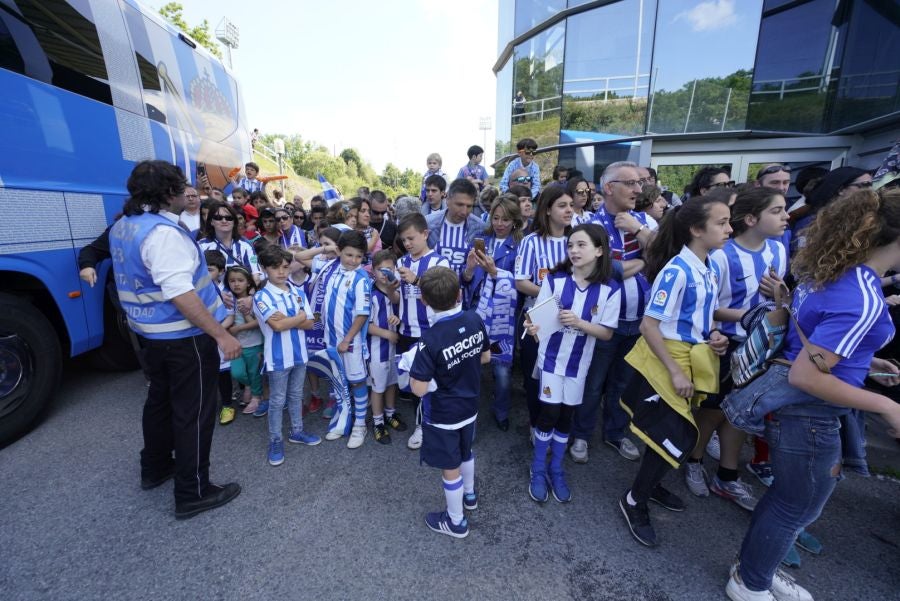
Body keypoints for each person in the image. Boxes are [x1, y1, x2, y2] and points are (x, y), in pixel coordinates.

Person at [723, 187, 900, 601]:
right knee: (796, 506)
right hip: (810, 413)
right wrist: (887, 406)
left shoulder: (831, 271)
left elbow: (814, 341)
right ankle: (750, 583)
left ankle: (755, 568)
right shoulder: (862, 298)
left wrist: (868, 362)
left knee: (789, 499)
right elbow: (807, 375)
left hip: (798, 408)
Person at [108, 160, 241, 519]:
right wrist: (220, 335)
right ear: (168, 193)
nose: (188, 191)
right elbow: (180, 293)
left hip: (150, 335)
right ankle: (193, 491)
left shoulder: (125, 226)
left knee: (160, 402)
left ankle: (154, 467)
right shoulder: (163, 234)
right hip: (185, 339)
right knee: (193, 413)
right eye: (182, 186)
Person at [618, 194, 732, 548]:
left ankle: (648, 486)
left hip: (693, 357)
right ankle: (634, 500)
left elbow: (700, 317)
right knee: (677, 435)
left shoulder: (709, 266)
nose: (730, 229)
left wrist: (713, 336)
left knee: (674, 434)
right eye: (722, 222)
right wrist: (676, 372)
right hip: (669, 361)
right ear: (697, 229)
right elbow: (649, 326)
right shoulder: (676, 270)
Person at [682, 187, 789, 512]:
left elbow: (780, 301)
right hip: (727, 345)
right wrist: (754, 314)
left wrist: (781, 299)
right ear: (752, 218)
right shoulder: (722, 256)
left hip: (765, 347)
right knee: (713, 411)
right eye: (777, 210)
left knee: (743, 415)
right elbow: (708, 307)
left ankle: (728, 475)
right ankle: (694, 460)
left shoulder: (779, 251)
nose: (786, 216)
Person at [525, 224, 620, 504]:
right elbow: (535, 319)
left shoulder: (609, 290)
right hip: (551, 361)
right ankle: (539, 468)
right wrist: (532, 327)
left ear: (599, 250)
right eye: (570, 246)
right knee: (549, 413)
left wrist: (580, 323)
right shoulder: (554, 281)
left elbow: (607, 333)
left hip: (579, 366)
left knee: (567, 417)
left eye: (582, 245)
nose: (574, 251)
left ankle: (557, 469)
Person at [571, 161, 657, 465]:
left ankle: (615, 433)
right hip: (602, 322)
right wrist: (644, 261)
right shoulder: (589, 226)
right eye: (631, 183)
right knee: (593, 382)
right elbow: (602, 270)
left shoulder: (644, 221)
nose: (638, 189)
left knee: (623, 383)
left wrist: (641, 232)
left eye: (640, 183)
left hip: (639, 322)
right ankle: (581, 434)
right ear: (609, 188)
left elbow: (665, 256)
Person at [409, 266, 491, 538]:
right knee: (466, 451)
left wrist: (428, 376)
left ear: (424, 301)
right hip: (470, 406)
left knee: (450, 466)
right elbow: (485, 357)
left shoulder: (429, 340)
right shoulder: (474, 319)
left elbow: (418, 390)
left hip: (443, 413)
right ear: (459, 294)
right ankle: (470, 495)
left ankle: (456, 522)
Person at [253, 245, 322, 466]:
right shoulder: (262, 296)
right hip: (278, 357)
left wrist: (289, 319)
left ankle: (297, 431)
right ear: (264, 269)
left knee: (295, 396)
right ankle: (275, 440)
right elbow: (277, 326)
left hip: (299, 354)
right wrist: (298, 317)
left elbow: (311, 323)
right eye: (274, 268)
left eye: (284, 267)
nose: (281, 272)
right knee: (277, 400)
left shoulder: (297, 292)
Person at [463, 195, 525, 430]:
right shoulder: (481, 240)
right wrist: (469, 269)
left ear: (515, 221)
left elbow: (519, 284)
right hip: (475, 308)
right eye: (496, 218)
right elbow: (466, 280)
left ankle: (501, 411)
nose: (499, 223)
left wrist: (495, 272)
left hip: (501, 314)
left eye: (506, 219)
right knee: (471, 365)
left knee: (501, 369)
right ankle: (469, 412)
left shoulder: (520, 245)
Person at [515, 186, 573, 429]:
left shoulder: (577, 241)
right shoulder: (531, 242)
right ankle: (536, 425)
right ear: (547, 210)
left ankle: (558, 428)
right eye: (562, 205)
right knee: (534, 378)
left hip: (571, 320)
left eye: (571, 205)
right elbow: (521, 282)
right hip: (537, 319)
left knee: (564, 376)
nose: (569, 210)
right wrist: (553, 297)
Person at [396, 213, 451, 449]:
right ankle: (423, 421)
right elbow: (397, 297)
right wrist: (389, 287)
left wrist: (417, 281)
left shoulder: (440, 263)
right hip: (405, 330)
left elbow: (444, 297)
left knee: (429, 381)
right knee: (411, 383)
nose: (407, 244)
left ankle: (424, 425)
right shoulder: (400, 262)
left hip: (429, 332)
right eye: (404, 240)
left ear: (425, 234)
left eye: (411, 238)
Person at [321, 231, 372, 448]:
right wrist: (327, 249)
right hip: (330, 339)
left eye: (358, 257)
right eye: (349, 255)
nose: (353, 261)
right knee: (338, 380)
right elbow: (299, 258)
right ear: (339, 251)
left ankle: (360, 424)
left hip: (350, 342)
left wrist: (347, 339)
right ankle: (342, 420)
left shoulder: (361, 279)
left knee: (357, 380)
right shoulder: (331, 267)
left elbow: (362, 313)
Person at [367, 250, 408, 443]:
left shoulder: (397, 293)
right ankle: (377, 422)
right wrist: (387, 333)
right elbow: (364, 325)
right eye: (380, 270)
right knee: (378, 387)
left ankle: (390, 414)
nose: (385, 274)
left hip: (394, 348)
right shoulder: (369, 294)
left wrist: (397, 319)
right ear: (372, 271)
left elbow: (401, 311)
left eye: (389, 269)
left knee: (392, 381)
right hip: (378, 349)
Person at [223, 266, 264, 416]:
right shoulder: (228, 300)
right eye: (232, 281)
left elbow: (258, 323)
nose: (236, 284)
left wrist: (240, 326)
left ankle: (256, 397)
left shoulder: (254, 299)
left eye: (240, 280)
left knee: (254, 372)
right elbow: (229, 318)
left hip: (253, 343)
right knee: (237, 372)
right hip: (237, 344)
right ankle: (247, 386)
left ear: (248, 283)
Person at [426, 178, 484, 283]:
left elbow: (479, 268)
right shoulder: (428, 223)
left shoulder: (480, 227)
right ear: (447, 200)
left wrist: (468, 273)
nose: (464, 211)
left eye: (469, 206)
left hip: (465, 295)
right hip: (433, 293)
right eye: (460, 205)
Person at [203, 251, 237, 426]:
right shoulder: (195, 290)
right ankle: (206, 407)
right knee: (204, 374)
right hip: (201, 338)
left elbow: (230, 317)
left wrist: (214, 331)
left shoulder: (226, 292)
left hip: (218, 337)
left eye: (210, 270)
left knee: (222, 373)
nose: (206, 274)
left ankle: (227, 405)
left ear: (221, 271)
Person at [198, 201, 263, 285]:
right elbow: (198, 277)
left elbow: (255, 276)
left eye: (229, 218)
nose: (224, 221)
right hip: (213, 296)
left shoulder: (246, 245)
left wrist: (249, 297)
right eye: (218, 217)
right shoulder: (201, 246)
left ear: (234, 222)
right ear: (211, 222)